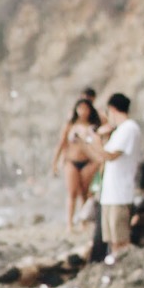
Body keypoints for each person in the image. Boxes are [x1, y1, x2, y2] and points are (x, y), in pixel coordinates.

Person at [96, 92, 141, 258]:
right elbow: (102, 156)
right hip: (110, 194)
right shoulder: (119, 131)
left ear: (112, 109)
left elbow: (111, 156)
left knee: (121, 240)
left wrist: (93, 139)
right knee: (112, 241)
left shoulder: (129, 128)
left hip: (120, 194)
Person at [50, 97, 103, 232]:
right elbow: (61, 143)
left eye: (86, 108)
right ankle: (69, 223)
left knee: (85, 192)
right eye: (80, 108)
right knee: (72, 192)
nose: (83, 111)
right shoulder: (71, 125)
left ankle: (83, 220)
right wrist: (55, 162)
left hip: (88, 161)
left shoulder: (94, 126)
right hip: (71, 161)